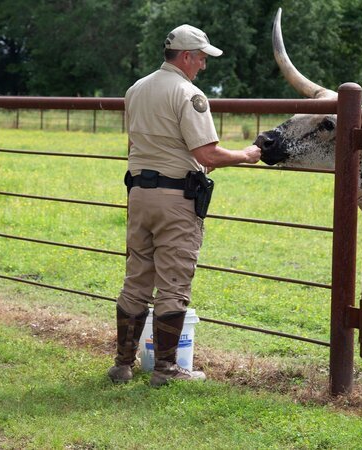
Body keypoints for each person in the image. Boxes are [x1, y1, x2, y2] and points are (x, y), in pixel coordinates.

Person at [108, 24, 261, 387]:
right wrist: (247, 154)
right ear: (187, 57)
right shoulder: (189, 94)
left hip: (139, 194)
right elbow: (206, 153)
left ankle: (122, 364)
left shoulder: (136, 89)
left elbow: (133, 143)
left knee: (136, 279)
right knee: (174, 282)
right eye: (202, 59)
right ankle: (165, 369)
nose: (204, 66)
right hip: (175, 199)